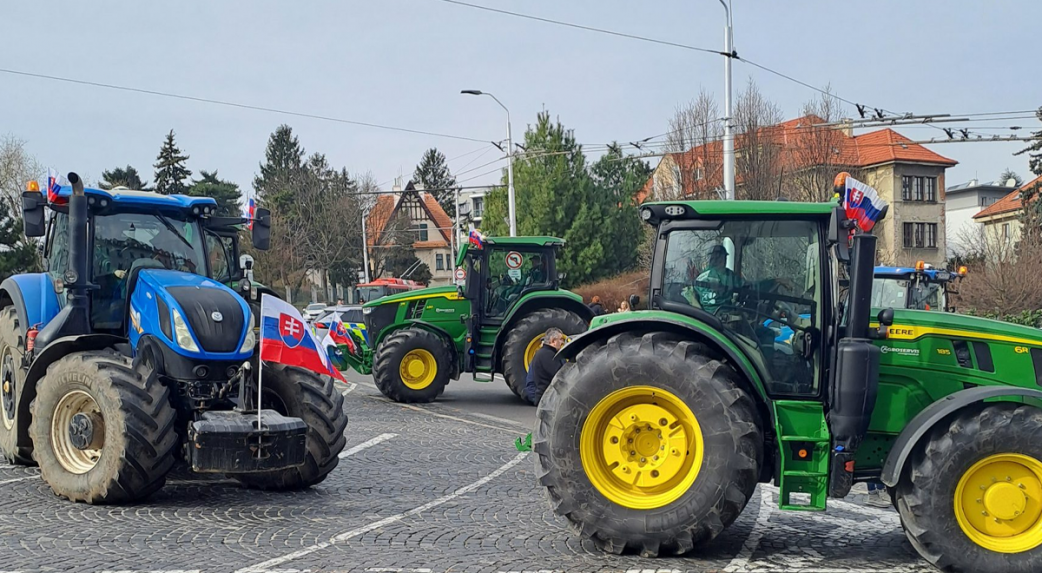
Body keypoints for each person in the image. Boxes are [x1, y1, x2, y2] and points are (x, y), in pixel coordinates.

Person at [524, 328, 566, 405]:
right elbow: (559, 375)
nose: (562, 342)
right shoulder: (547, 355)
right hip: (546, 398)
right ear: (553, 341)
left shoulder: (544, 353)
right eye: (560, 339)